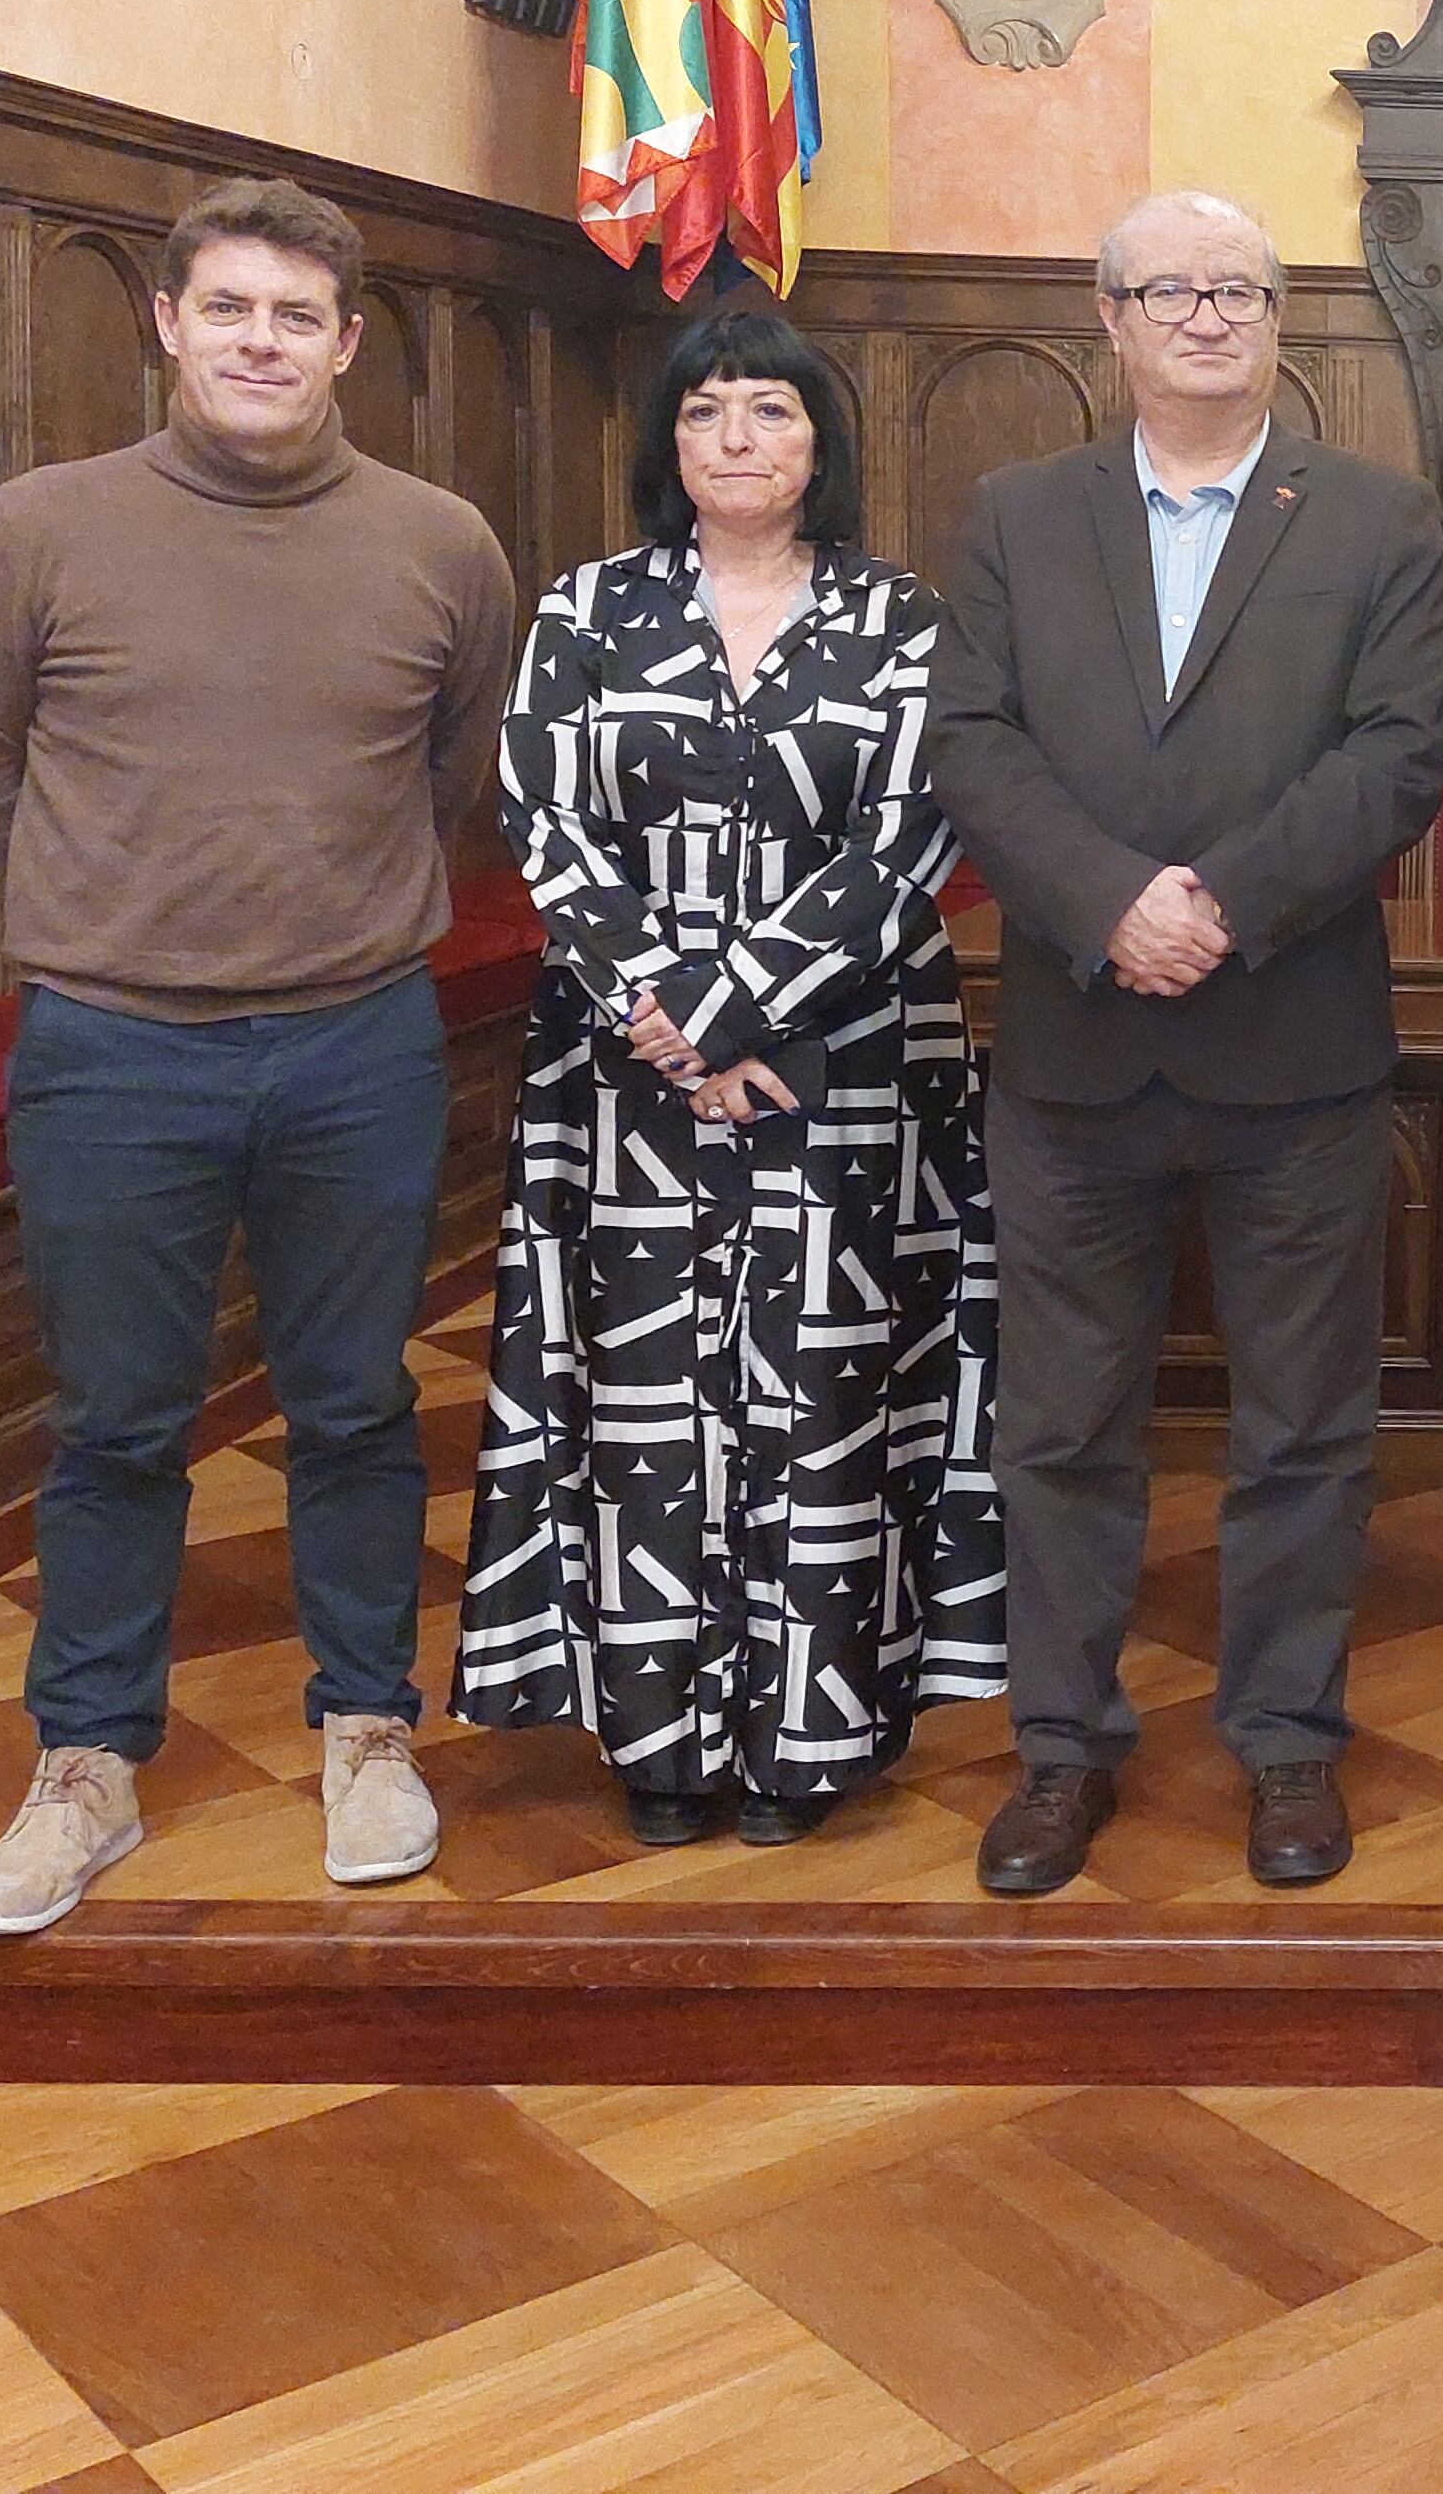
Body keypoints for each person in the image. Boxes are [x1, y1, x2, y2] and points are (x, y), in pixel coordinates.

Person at [0, 177, 520, 1934]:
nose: (263, 341)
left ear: (347, 345)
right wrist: (131, 902)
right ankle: (86, 1767)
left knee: (353, 1402)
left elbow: (455, 772)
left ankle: (366, 1729)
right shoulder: (31, 532)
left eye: (299, 317)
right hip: (112, 1049)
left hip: (359, 1042)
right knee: (117, 1421)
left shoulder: (442, 543)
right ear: (170, 325)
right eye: (230, 309)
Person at [928, 193, 1443, 1897]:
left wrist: (1215, 904)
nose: (1211, 314)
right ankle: (1061, 1750)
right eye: (1174, 289)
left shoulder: (1376, 519)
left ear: (1277, 319)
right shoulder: (1019, 513)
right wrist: (1107, 902)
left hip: (1292, 1054)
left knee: (1304, 1426)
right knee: (1063, 1427)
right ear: (1113, 320)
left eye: (1241, 287)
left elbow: (1395, 760)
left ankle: (1289, 1747)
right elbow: (974, 743)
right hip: (1077, 1056)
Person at [448, 309, 1006, 1845]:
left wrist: (742, 1014)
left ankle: (810, 1738)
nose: (739, 439)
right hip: (625, 1080)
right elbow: (546, 827)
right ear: (669, 447)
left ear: (822, 443)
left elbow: (915, 839)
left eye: (771, 411)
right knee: (640, 1404)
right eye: (708, 415)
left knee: (831, 1396)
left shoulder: (906, 622)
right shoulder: (586, 613)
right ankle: (661, 1741)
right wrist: (671, 1020)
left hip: (849, 1070)